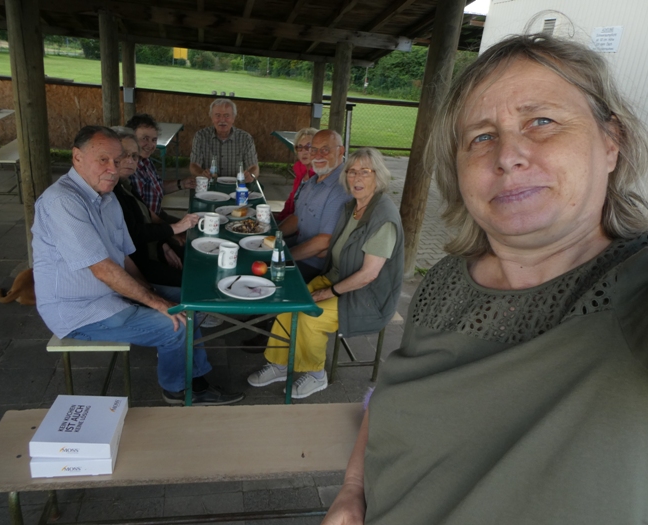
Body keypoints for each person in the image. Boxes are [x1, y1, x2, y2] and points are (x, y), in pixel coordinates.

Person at [322, 33, 648, 525]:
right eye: (481, 137)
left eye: (541, 121)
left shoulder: (632, 290)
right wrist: (351, 489)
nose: (507, 155)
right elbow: (390, 393)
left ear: (611, 142)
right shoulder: (445, 282)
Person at [32, 125, 243, 406]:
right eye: (103, 160)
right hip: (80, 311)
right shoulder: (62, 202)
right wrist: (156, 303)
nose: (113, 168)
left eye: (117, 160)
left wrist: (150, 293)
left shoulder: (107, 197)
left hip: (112, 294)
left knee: (191, 300)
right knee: (175, 324)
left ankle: (196, 378)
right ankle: (178, 390)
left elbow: (124, 257)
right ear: (77, 157)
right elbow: (102, 269)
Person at [248, 148, 404, 399]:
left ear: (379, 176)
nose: (357, 178)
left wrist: (328, 292)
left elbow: (369, 274)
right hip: (336, 277)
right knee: (289, 304)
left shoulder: (383, 217)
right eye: (352, 171)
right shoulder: (353, 206)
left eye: (365, 172)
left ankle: (316, 374)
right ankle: (280, 364)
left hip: (365, 297)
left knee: (311, 317)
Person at [111, 126, 199, 287]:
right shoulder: (110, 191)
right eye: (124, 154)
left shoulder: (125, 183)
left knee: (194, 252)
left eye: (134, 156)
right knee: (191, 278)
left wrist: (162, 243)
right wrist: (173, 229)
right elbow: (133, 234)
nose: (130, 160)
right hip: (136, 263)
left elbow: (145, 215)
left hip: (149, 247)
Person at [279, 129, 352, 283]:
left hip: (315, 267)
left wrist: (284, 257)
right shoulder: (313, 181)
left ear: (341, 151)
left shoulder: (340, 189)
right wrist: (273, 236)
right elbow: (297, 218)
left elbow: (325, 241)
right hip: (299, 248)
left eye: (325, 150)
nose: (318, 155)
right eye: (314, 150)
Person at [126, 113, 194, 223]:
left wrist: (182, 184)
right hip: (147, 225)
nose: (150, 145)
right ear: (131, 138)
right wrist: (169, 229)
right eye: (145, 138)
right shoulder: (128, 170)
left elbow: (156, 188)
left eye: (154, 140)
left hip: (158, 216)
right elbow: (141, 211)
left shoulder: (146, 161)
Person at [189, 98, 259, 182]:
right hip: (209, 184)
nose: (222, 120)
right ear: (212, 118)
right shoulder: (201, 136)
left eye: (226, 115)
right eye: (218, 115)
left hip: (237, 184)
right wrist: (201, 173)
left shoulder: (245, 138)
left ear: (233, 118)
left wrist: (250, 175)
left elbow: (254, 167)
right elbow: (194, 165)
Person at [275, 127, 318, 223]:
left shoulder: (320, 177)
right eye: (300, 147)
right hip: (289, 221)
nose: (304, 152)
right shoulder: (301, 172)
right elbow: (291, 201)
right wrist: (280, 218)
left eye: (308, 147)